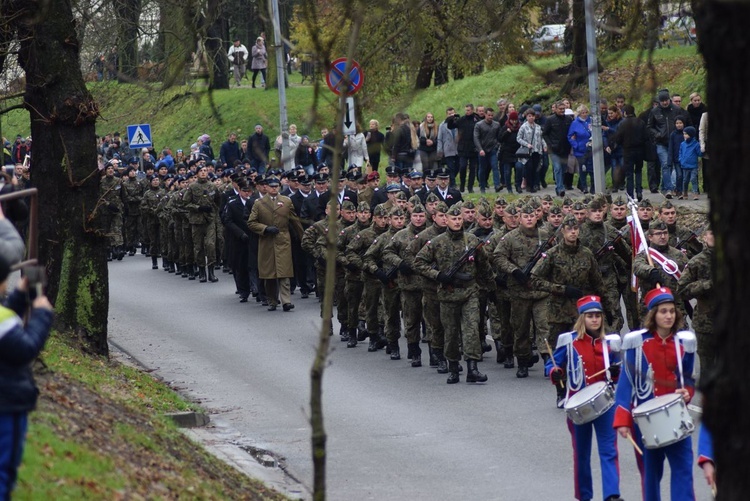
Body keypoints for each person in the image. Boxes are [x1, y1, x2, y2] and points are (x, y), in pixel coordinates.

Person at [614, 287, 697, 501]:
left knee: (683, 470)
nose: (669, 315)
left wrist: (687, 392)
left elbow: (688, 378)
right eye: (663, 311)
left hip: (676, 415)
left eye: (671, 311)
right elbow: (626, 384)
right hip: (645, 419)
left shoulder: (683, 343)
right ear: (653, 315)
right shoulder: (637, 344)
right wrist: (622, 421)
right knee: (651, 475)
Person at [546, 296, 623, 501]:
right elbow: (552, 364)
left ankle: (612, 495)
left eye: (598, 316)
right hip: (578, 406)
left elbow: (619, 374)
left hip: (606, 404)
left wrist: (616, 371)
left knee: (609, 451)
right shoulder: (569, 341)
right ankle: (584, 496)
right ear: (582, 318)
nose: (595, 320)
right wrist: (555, 371)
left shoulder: (610, 342)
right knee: (581, 455)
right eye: (590, 316)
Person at [414, 203, 494, 384]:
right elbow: (419, 262)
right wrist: (439, 275)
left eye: (459, 219)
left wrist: (491, 288)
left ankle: (472, 368)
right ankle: (452, 367)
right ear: (446, 220)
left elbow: (484, 266)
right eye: (454, 219)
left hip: (469, 293)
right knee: (450, 333)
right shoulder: (437, 242)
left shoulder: (472, 241)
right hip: (448, 295)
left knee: (471, 329)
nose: (457, 222)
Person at [0, 257, 55, 500]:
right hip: (5, 405)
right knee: (4, 470)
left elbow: (6, 319)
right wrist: (42, 315)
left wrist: (20, 296)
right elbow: (24, 348)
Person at [247, 176, 303, 311]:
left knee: (284, 272)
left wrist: (303, 238)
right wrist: (265, 229)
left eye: (276, 186)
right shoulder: (259, 203)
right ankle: (272, 300)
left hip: (283, 239)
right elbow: (251, 223)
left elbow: (295, 221)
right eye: (271, 186)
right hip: (267, 241)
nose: (274, 188)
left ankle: (286, 301)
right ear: (266, 187)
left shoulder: (286, 201)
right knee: (270, 274)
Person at [678, 228, 715, 372]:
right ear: (705, 237)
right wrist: (707, 285)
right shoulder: (697, 262)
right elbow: (682, 291)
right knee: (708, 370)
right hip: (707, 324)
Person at [473, 107, 501, 193]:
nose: (490, 117)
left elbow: (499, 136)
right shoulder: (479, 125)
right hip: (482, 149)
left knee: (495, 166)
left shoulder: (496, 125)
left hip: (493, 149)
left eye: (492, 115)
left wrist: (497, 145)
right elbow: (476, 138)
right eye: (489, 115)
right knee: (482, 168)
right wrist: (480, 149)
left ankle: (497, 185)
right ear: (485, 115)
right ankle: (482, 185)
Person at [568, 105, 594, 193]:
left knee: (591, 169)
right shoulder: (575, 123)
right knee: (583, 168)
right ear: (579, 114)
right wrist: (576, 145)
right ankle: (584, 187)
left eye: (586, 112)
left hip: (591, 149)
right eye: (583, 113)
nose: (585, 114)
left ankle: (593, 187)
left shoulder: (590, 121)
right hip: (580, 150)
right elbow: (570, 136)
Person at [678, 126, 702, 200]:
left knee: (693, 179)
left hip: (693, 165)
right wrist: (681, 160)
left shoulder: (696, 144)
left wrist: (702, 149)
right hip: (685, 165)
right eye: (684, 134)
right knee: (685, 180)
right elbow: (680, 152)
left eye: (686, 134)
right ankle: (684, 192)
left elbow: (699, 153)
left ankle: (695, 193)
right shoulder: (682, 144)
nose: (684, 135)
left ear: (691, 135)